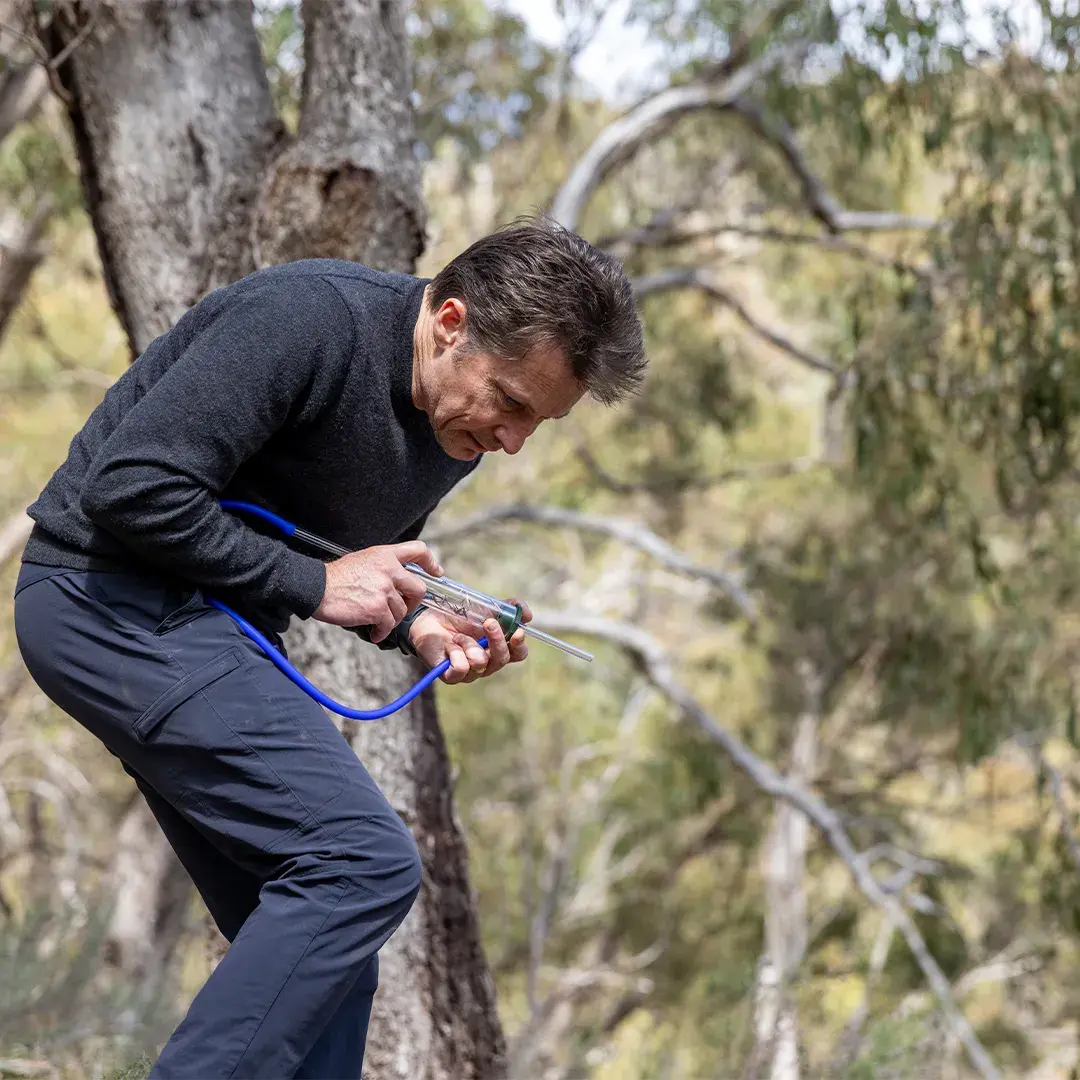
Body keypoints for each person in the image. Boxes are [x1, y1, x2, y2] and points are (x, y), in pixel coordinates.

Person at [11, 211, 646, 1078]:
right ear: (451, 323)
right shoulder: (308, 319)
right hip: (103, 601)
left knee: (330, 960)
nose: (511, 440)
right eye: (510, 403)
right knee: (360, 862)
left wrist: (420, 624)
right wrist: (320, 587)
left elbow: (336, 559)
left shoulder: (452, 426)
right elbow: (134, 487)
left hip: (202, 628)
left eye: (538, 424)